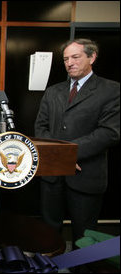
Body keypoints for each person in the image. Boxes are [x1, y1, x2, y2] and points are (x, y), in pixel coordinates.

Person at [34, 38, 120, 246]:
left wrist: (68, 156)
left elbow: (109, 133)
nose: (69, 63)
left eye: (75, 57)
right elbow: (40, 128)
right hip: (52, 176)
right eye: (65, 59)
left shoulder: (111, 90)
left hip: (86, 175)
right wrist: (60, 158)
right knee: (49, 231)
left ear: (92, 57)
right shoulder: (53, 91)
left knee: (84, 235)